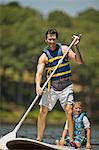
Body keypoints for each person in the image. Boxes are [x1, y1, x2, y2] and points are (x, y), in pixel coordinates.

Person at [35, 28, 83, 146]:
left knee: (69, 111)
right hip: (51, 87)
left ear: (57, 39)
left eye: (54, 39)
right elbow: (39, 74)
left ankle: (72, 141)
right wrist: (38, 86)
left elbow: (79, 61)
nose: (52, 41)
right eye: (50, 39)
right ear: (46, 40)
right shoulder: (44, 56)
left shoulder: (65, 49)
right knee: (42, 111)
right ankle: (39, 139)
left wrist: (76, 46)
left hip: (66, 87)